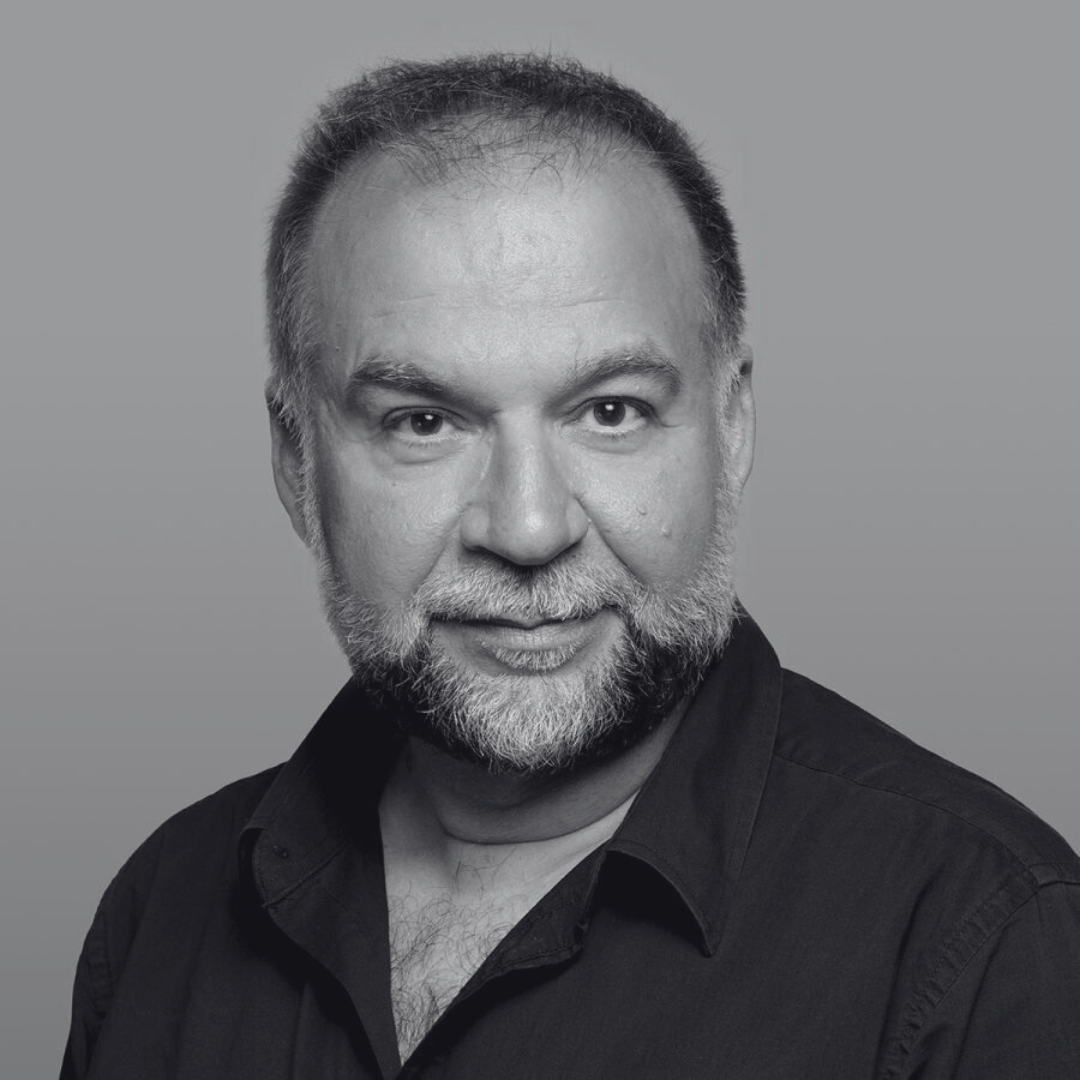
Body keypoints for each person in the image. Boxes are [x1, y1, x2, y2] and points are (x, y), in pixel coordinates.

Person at [61, 54, 1080, 1079]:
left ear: (730, 427)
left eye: (610, 412)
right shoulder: (161, 915)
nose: (528, 528)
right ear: (296, 462)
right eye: (423, 422)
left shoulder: (984, 941)